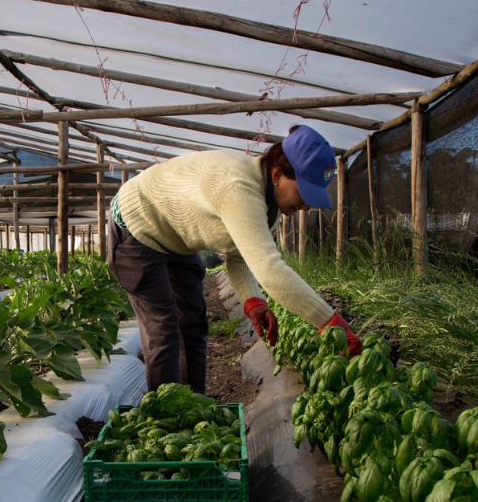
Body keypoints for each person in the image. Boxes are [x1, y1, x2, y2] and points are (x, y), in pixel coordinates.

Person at [107, 125, 362, 394]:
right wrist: (330, 321)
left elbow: (238, 256)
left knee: (193, 321)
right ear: (277, 174)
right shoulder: (239, 189)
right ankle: (165, 418)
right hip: (137, 225)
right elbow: (270, 270)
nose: (306, 206)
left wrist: (254, 302)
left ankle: (194, 404)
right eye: (303, 193)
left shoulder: (269, 204)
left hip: (174, 237)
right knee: (163, 327)